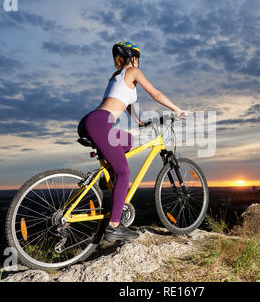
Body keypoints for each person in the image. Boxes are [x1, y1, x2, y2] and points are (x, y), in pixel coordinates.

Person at [77, 41, 187, 241]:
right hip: (101, 123)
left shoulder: (116, 77)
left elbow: (124, 100)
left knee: (128, 140)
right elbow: (155, 93)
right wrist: (176, 109)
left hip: (90, 120)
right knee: (124, 171)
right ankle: (113, 227)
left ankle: (107, 177)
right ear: (134, 58)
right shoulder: (134, 71)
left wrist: (138, 121)